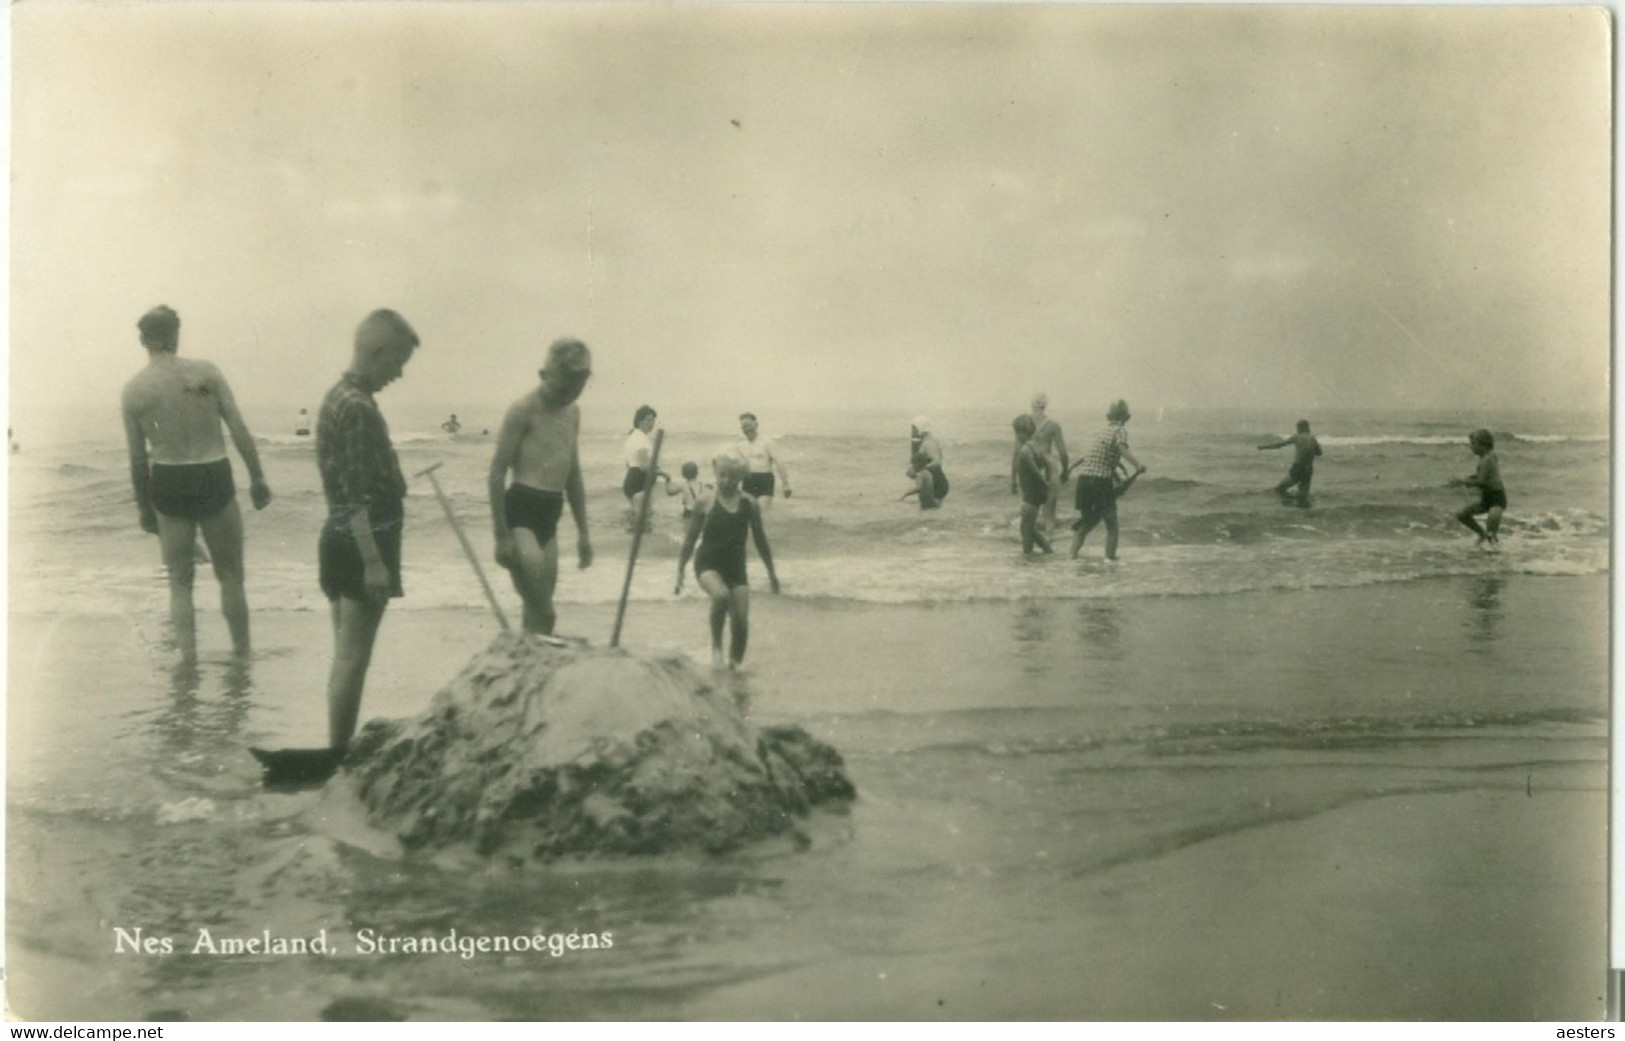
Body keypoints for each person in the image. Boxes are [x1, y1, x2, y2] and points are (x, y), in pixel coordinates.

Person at [120, 305, 272, 661]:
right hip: (212, 471)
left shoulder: (134, 390)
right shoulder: (207, 373)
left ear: (144, 341)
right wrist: (258, 478)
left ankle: (188, 661)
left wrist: (144, 508)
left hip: (169, 477)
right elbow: (237, 428)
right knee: (231, 575)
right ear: (175, 334)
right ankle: (242, 653)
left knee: (180, 581)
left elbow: (137, 459)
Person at [315, 309, 419, 753]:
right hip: (364, 542)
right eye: (397, 361)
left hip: (339, 537)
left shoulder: (337, 395)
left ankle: (335, 746)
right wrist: (374, 562)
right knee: (353, 659)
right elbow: (357, 493)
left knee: (344, 657)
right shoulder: (357, 408)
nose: (399, 373)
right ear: (376, 352)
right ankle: (337, 753)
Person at [488, 338, 595, 636]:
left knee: (536, 614)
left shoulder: (573, 413)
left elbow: (573, 475)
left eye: (575, 391)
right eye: (561, 390)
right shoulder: (523, 409)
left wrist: (584, 534)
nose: (566, 398)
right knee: (544, 609)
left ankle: (527, 666)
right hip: (520, 511)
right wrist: (500, 536)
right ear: (543, 375)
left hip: (551, 512)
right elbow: (497, 472)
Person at [676, 450, 779, 668]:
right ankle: (716, 649)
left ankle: (734, 668)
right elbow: (690, 539)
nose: (726, 480)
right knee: (720, 596)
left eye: (732, 477)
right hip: (707, 564)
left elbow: (761, 541)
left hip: (736, 569)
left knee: (741, 623)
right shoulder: (705, 502)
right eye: (722, 475)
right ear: (715, 471)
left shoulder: (749, 504)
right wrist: (680, 571)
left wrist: (772, 573)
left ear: (741, 477)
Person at [1068, 399, 1146, 560]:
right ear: (1128, 417)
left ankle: (1071, 556)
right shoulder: (1120, 430)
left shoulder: (1100, 432)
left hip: (1083, 480)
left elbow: (1089, 456)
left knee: (1086, 522)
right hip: (1099, 481)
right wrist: (1138, 465)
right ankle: (1110, 560)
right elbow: (1121, 449)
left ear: (1107, 416)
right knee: (1112, 524)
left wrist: (1070, 469)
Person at [1011, 393, 1068, 533]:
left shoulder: (1024, 424)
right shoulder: (1053, 425)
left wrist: (1013, 479)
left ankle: (1027, 542)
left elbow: (1016, 454)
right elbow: (1063, 453)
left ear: (1032, 405)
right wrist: (1065, 471)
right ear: (1045, 406)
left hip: (1030, 469)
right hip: (1049, 467)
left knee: (1030, 510)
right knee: (1049, 516)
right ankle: (1049, 545)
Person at [1451, 428, 1506, 546]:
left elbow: (1482, 481)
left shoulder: (1487, 459)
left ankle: (1495, 555)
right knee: (1462, 515)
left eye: (1473, 444)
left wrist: (1462, 481)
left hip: (1497, 499)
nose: (1471, 447)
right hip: (1486, 499)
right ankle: (1482, 534)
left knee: (1492, 532)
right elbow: (1485, 475)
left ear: (1484, 444)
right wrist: (1470, 478)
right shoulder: (1487, 456)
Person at [1012, 415, 1054, 557]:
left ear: (1024, 432)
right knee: (1029, 528)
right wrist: (1047, 481)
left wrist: (1045, 483)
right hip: (1035, 492)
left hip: (1031, 493)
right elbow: (1048, 464)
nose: (1016, 436)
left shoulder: (1025, 451)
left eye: (1017, 433)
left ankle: (1027, 554)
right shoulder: (1035, 446)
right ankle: (1048, 551)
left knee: (1026, 529)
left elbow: (1035, 470)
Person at [1259, 419, 1322, 507]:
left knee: (1280, 489)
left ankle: (1288, 506)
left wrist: (1263, 447)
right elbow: (1319, 453)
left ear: (1299, 428)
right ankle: (1304, 514)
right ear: (1308, 428)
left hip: (1298, 468)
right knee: (1303, 495)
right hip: (1308, 470)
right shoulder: (1312, 438)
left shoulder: (1296, 437)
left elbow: (1279, 445)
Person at [737, 412, 791, 507]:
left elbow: (779, 463)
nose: (747, 429)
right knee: (748, 514)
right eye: (744, 427)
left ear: (756, 425)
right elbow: (735, 467)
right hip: (748, 481)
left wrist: (785, 484)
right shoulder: (740, 445)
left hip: (764, 479)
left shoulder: (767, 442)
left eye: (749, 425)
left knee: (763, 512)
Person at [622, 405, 665, 521]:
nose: (652, 424)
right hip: (638, 485)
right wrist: (664, 474)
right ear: (639, 421)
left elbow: (629, 463)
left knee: (637, 521)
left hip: (634, 481)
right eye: (648, 420)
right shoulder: (640, 438)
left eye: (653, 421)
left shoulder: (634, 436)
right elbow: (645, 466)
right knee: (644, 521)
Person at [905, 416, 949, 509]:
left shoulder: (929, 443)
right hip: (932, 481)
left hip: (936, 482)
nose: (912, 432)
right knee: (929, 513)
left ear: (920, 428)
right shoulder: (924, 441)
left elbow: (936, 462)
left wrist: (919, 471)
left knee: (929, 510)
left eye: (913, 428)